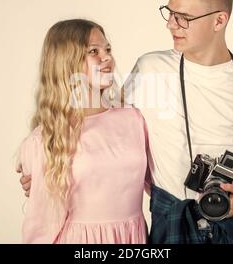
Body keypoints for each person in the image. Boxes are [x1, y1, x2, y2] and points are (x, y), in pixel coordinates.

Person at [19, 0, 233, 244]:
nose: (172, 25)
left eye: (184, 18)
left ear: (219, 20)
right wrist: (45, 165)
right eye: (169, 13)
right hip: (170, 220)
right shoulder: (149, 69)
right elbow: (101, 127)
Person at [16, 19, 151, 244]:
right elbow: (41, 225)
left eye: (107, 49)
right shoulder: (46, 139)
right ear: (67, 63)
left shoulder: (133, 119)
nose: (106, 57)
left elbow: (159, 184)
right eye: (93, 51)